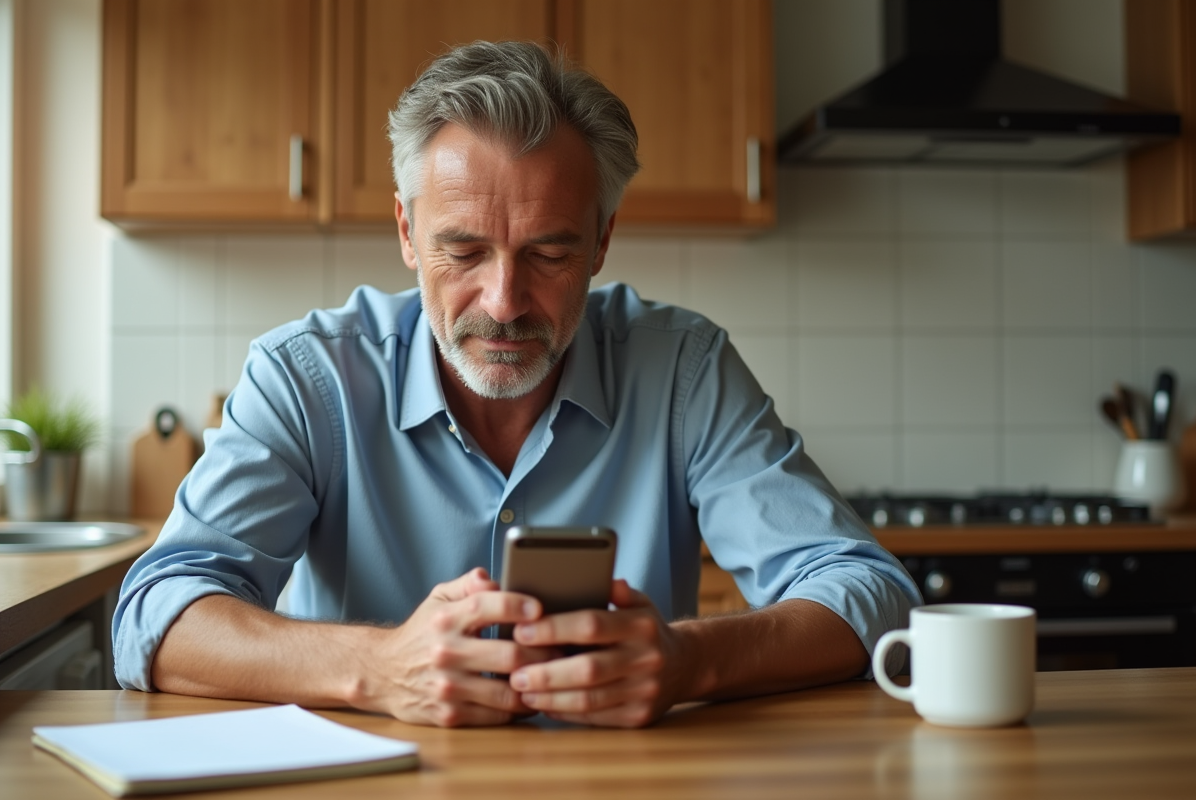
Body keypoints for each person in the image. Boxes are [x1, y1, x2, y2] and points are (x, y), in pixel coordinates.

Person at [113, 41, 921, 729]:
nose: (503, 303)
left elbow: (870, 591)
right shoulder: (305, 376)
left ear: (602, 242)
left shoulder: (684, 369)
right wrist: (377, 666)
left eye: (548, 254)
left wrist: (690, 660)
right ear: (405, 231)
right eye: (463, 252)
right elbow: (156, 614)